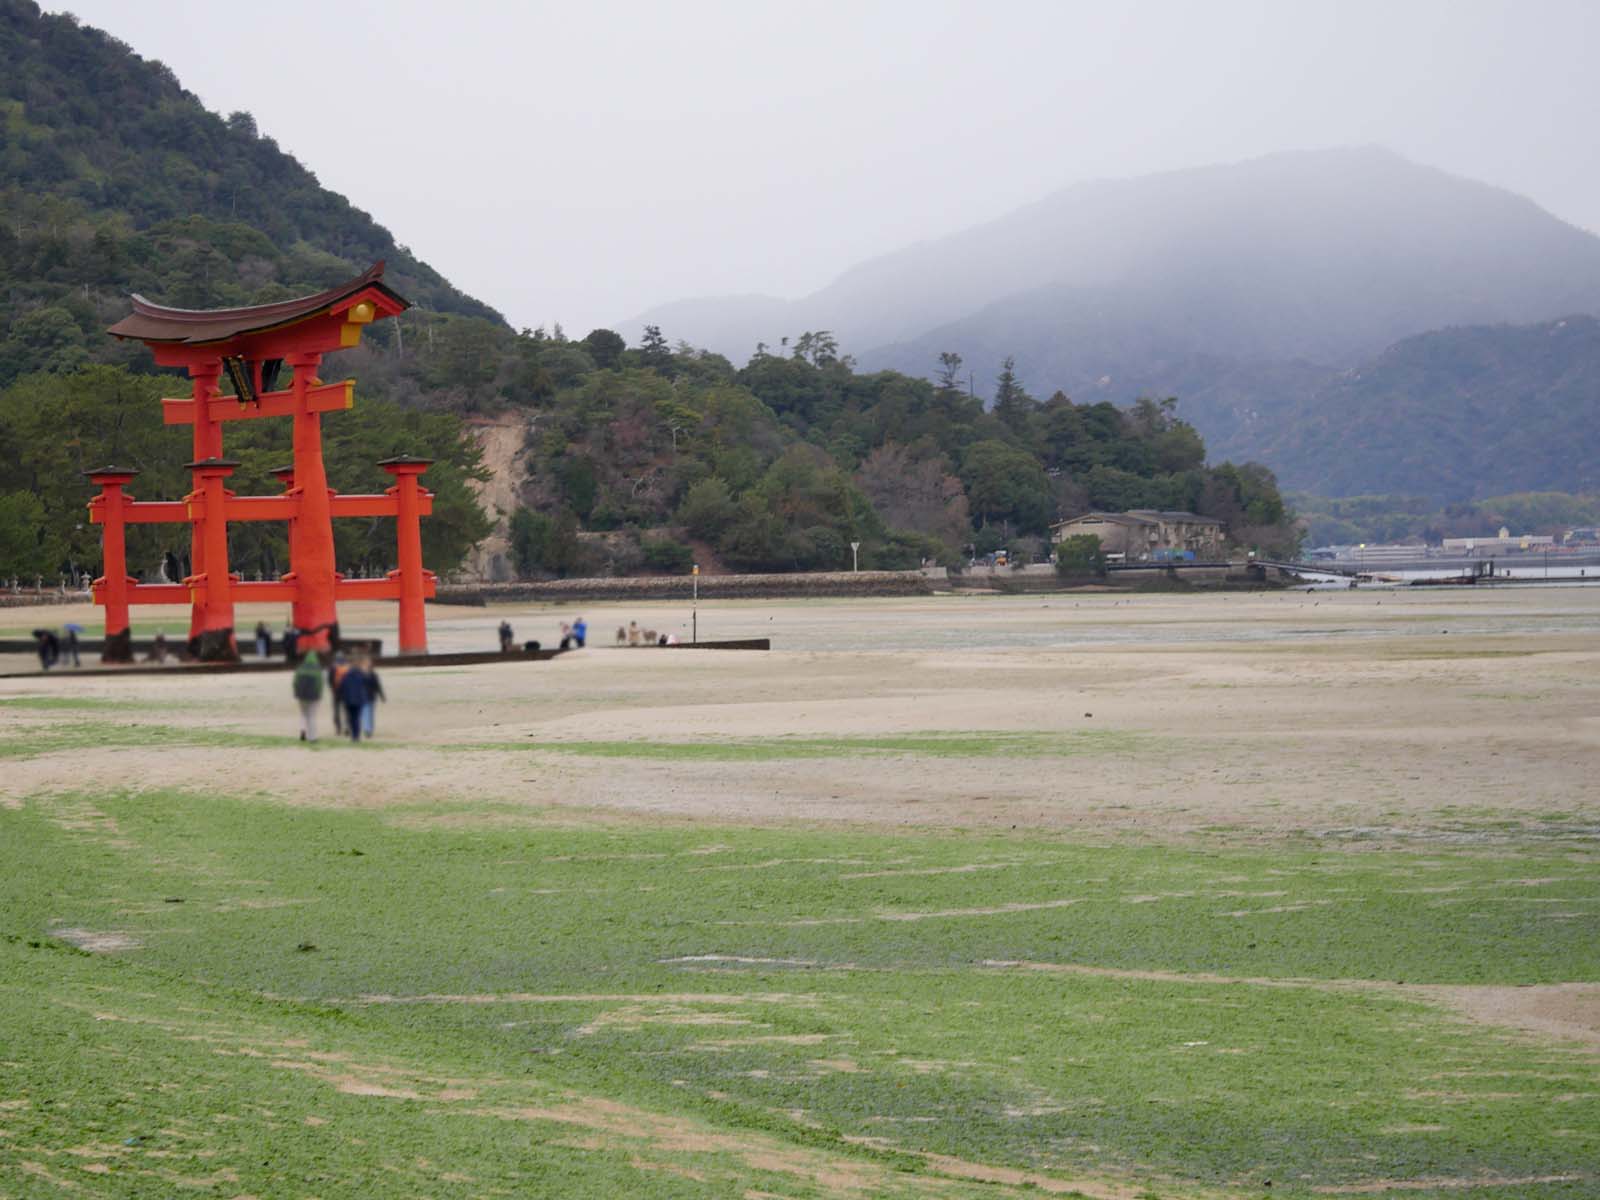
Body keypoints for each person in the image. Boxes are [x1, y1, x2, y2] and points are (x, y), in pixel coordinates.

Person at [336, 655, 372, 743]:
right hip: (358, 700)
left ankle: (353, 736)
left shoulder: (345, 676)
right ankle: (356, 736)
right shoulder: (361, 675)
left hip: (348, 700)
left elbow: (341, 687)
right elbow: (367, 685)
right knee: (356, 718)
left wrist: (340, 698)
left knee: (351, 718)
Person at [292, 649, 324, 742]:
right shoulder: (317, 669)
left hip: (301, 695)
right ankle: (312, 737)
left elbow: (295, 682)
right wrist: (319, 694)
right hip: (313, 695)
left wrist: (296, 692)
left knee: (303, 714)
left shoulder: (300, 668)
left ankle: (303, 731)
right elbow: (320, 683)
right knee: (312, 716)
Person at [360, 656, 386, 738]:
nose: (367, 665)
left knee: (371, 714)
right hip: (363, 697)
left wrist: (382, 696)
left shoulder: (373, 674)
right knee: (365, 713)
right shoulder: (360, 675)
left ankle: (370, 729)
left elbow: (378, 686)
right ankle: (367, 730)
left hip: (372, 697)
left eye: (368, 663)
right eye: (366, 663)